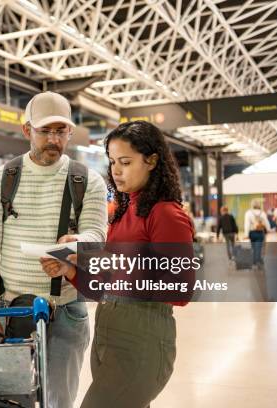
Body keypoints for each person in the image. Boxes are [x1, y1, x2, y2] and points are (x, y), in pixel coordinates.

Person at [41, 121, 194, 408]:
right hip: (109, 335)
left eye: (125, 161)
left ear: (151, 161)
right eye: (112, 162)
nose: (116, 170)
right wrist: (70, 270)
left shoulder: (166, 214)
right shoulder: (125, 213)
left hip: (143, 341)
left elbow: (182, 290)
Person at [0, 91, 108, 408]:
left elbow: (97, 237)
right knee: (12, 400)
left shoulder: (87, 180)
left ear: (70, 132)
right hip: (12, 311)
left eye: (60, 131)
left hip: (65, 312)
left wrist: (73, 246)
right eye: (44, 131)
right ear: (26, 131)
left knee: (60, 402)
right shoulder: (1, 181)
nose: (53, 139)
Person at [243, 200, 271, 267]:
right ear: (259, 205)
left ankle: (254, 261)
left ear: (252, 205)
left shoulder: (248, 213)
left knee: (253, 247)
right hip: (260, 232)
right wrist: (268, 229)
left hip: (252, 233)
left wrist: (246, 234)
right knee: (259, 247)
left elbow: (247, 224)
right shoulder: (262, 213)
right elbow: (266, 222)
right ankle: (258, 261)